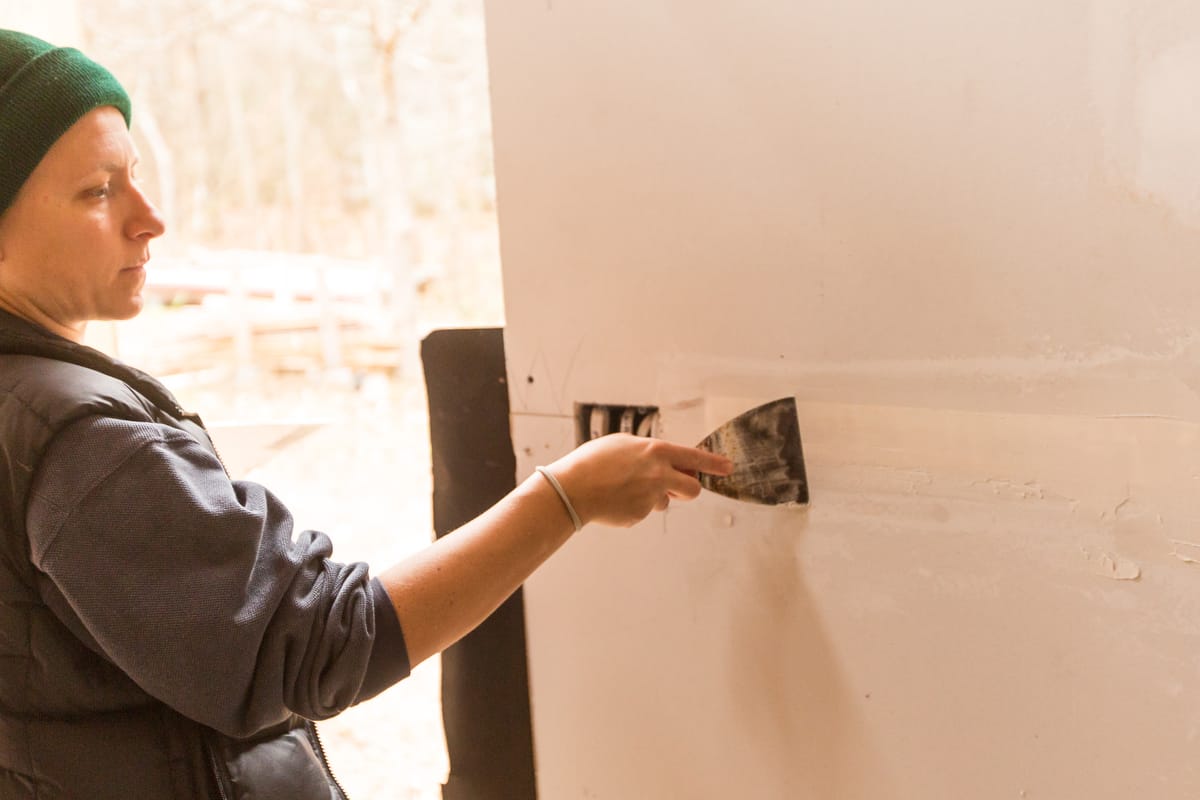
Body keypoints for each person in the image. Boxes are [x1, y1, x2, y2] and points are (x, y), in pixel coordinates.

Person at [0, 29, 733, 800]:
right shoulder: (82, 439)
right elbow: (323, 644)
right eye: (97, 192)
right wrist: (563, 500)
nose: (150, 218)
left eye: (135, 176)